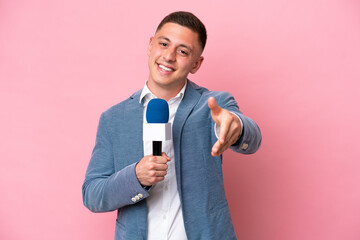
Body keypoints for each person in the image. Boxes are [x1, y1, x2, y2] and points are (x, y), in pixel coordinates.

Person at [82, 11, 262, 240]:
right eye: (164, 44)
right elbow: (92, 194)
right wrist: (135, 176)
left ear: (196, 63)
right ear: (150, 45)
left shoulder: (213, 105)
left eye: (183, 51)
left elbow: (252, 138)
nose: (168, 56)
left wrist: (236, 126)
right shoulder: (113, 118)